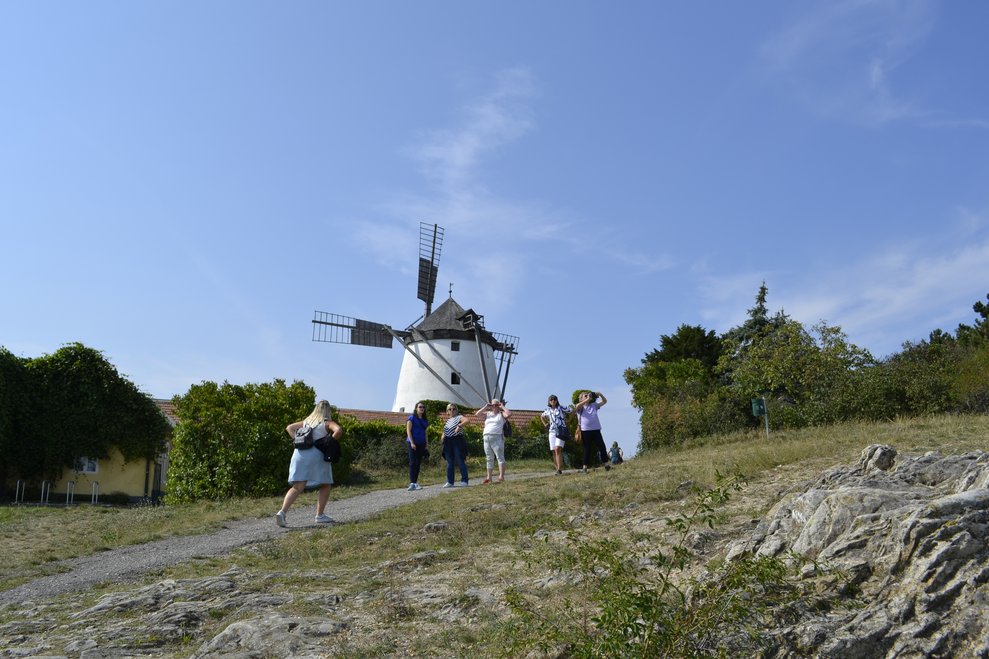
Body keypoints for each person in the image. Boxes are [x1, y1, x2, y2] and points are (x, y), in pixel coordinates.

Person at [276, 400, 343, 527]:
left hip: (299, 454)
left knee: (297, 487)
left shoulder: (306, 422)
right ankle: (320, 515)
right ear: (328, 411)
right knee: (325, 484)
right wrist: (328, 442)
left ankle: (282, 512)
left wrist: (298, 440)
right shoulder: (326, 422)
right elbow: (338, 430)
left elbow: (289, 428)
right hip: (317, 456)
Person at [475, 398, 511, 484]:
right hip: (486, 437)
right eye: (493, 405)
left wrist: (502, 406)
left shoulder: (501, 414)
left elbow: (509, 414)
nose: (494, 407)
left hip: (497, 437)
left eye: (496, 405)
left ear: (498, 406)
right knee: (489, 458)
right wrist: (486, 406)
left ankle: (501, 476)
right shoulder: (488, 414)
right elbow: (477, 414)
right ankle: (489, 477)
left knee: (500, 457)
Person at [574, 390, 610, 473]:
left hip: (596, 429)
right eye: (585, 396)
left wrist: (600, 394)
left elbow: (605, 401)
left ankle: (606, 464)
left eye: (588, 395)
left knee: (602, 447)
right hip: (585, 431)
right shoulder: (580, 407)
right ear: (580, 399)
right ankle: (585, 467)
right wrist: (588, 399)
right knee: (587, 449)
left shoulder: (593, 405)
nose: (587, 396)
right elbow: (577, 407)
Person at [540, 394, 572, 475]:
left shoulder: (561, 407)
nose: (553, 401)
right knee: (554, 451)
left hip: (561, 430)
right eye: (551, 400)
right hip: (552, 431)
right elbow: (542, 416)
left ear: (557, 400)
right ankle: (557, 469)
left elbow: (572, 410)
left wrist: (568, 420)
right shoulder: (548, 410)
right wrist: (545, 424)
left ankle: (559, 469)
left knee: (558, 448)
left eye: (554, 399)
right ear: (549, 401)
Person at [442, 403, 469, 487]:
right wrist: (443, 436)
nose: (452, 410)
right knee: (449, 462)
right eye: (450, 409)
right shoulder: (448, 421)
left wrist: (459, 426)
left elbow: (467, 420)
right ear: (447, 411)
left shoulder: (459, 417)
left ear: (457, 410)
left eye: (454, 409)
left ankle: (464, 481)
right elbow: (446, 430)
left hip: (457, 440)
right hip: (448, 442)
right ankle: (450, 482)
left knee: (460, 460)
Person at [405, 401, 430, 491]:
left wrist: (426, 445)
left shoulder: (424, 420)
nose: (422, 408)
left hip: (421, 443)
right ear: (416, 408)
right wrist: (412, 443)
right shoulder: (411, 418)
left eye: (423, 407)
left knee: (418, 463)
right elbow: (408, 431)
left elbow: (425, 433)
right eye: (420, 407)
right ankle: (412, 483)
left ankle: (415, 483)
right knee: (412, 462)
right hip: (412, 442)